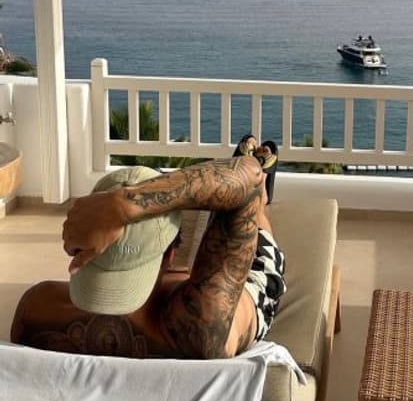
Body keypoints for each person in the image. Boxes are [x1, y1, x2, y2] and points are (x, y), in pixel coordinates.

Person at [10, 136, 285, 360]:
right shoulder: (200, 325)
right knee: (248, 230)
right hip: (243, 291)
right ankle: (262, 201)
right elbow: (249, 179)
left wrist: (117, 208)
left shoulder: (38, 309)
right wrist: (124, 206)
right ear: (172, 255)